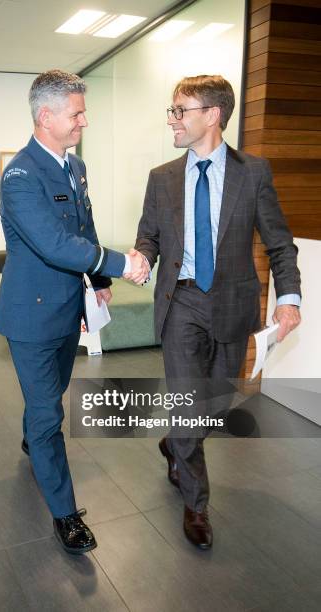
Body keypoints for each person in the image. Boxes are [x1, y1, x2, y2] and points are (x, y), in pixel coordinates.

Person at [132, 75, 301, 550]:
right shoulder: (161, 177)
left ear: (212, 115)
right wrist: (143, 255)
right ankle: (196, 504)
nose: (172, 119)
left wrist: (289, 299)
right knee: (189, 408)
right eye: (171, 110)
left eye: (179, 110)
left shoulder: (254, 173)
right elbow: (150, 235)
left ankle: (173, 444)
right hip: (180, 301)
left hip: (232, 304)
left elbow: (280, 244)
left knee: (215, 406)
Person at [0, 69, 148, 554]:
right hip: (32, 316)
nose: (84, 120)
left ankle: (31, 438)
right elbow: (55, 244)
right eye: (76, 113)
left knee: (51, 393)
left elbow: (84, 224)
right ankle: (64, 514)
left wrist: (98, 281)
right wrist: (122, 265)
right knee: (48, 417)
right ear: (46, 116)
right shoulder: (20, 175)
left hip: (67, 307)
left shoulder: (74, 167)